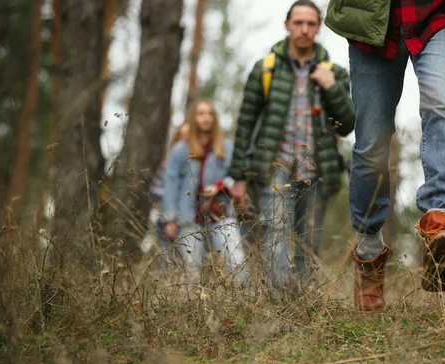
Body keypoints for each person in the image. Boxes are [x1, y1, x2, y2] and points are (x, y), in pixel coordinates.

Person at [325, 0, 445, 310]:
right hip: (371, 20)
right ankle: (369, 252)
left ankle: (440, 221)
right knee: (372, 143)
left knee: (442, 102)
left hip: (439, 13)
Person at [229, 0, 355, 290]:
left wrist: (331, 87)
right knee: (275, 231)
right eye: (298, 23)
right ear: (287, 25)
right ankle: (276, 300)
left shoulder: (333, 73)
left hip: (317, 169)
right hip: (275, 167)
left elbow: (348, 124)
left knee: (309, 238)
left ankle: (302, 304)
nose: (304, 29)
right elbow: (245, 124)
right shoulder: (265, 69)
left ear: (318, 28)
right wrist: (238, 178)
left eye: (311, 24)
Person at [162, 100, 247, 286]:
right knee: (191, 270)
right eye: (201, 113)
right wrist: (170, 218)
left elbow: (237, 175)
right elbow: (170, 184)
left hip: (220, 214)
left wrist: (219, 185)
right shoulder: (179, 150)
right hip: (188, 217)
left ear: (214, 119)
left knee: (236, 260)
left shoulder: (226, 147)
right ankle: (194, 310)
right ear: (194, 118)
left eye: (209, 114)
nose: (205, 118)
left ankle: (245, 305)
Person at [141, 124, 191, 254]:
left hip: (186, 214)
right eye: (183, 136)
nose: (185, 140)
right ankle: (147, 254)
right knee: (162, 242)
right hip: (164, 210)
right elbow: (155, 191)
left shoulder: (195, 166)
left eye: (189, 136)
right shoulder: (167, 165)